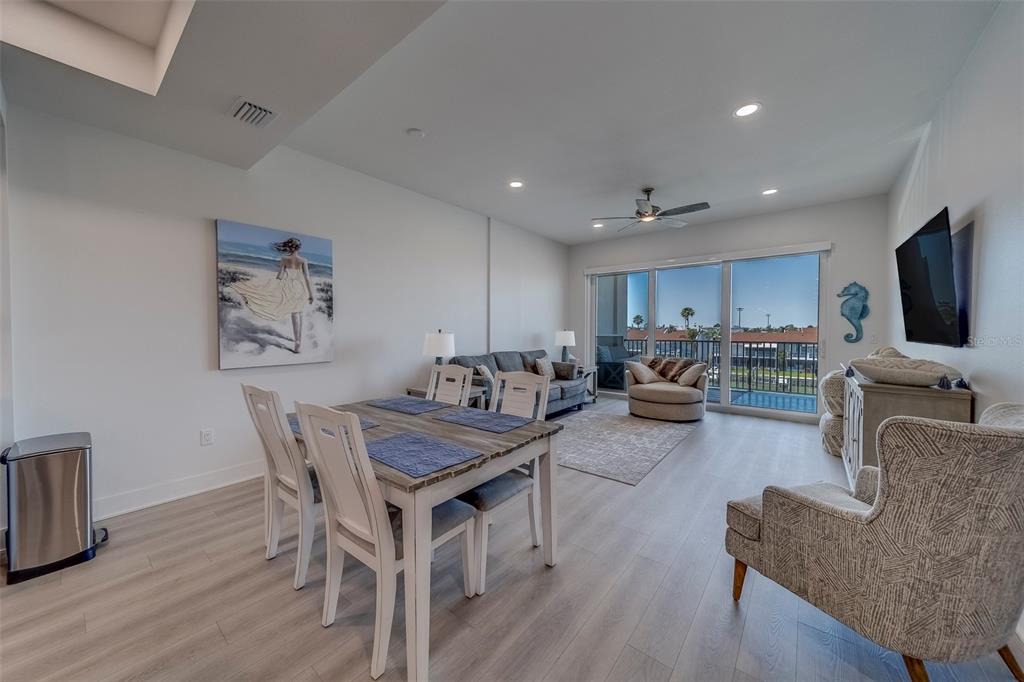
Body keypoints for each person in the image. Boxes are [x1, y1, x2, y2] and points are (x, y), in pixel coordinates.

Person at [230, 237, 314, 353]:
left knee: (294, 312)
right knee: (298, 312)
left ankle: (297, 342)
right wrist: (311, 294)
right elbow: (307, 278)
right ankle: (298, 341)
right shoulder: (303, 260)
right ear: (299, 248)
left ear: (289, 247)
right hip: (300, 288)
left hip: (287, 287)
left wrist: (271, 285)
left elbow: (279, 276)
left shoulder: (284, 259)